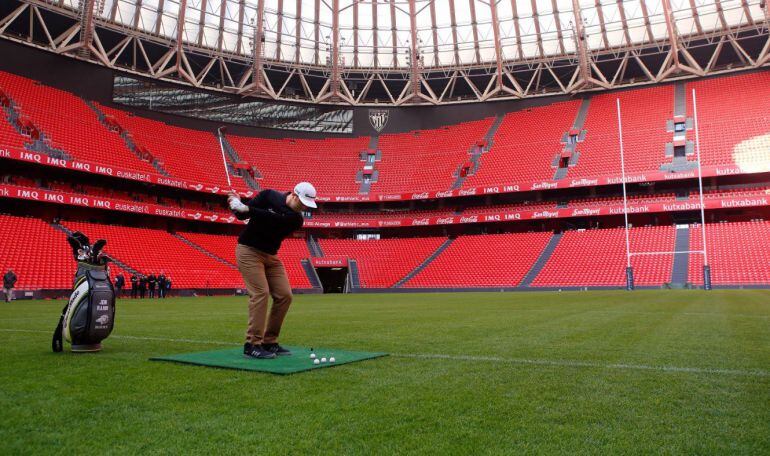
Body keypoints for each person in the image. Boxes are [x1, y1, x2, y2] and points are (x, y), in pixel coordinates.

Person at [228, 182, 316, 359]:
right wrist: (235, 203)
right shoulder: (268, 195)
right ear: (293, 195)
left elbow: (273, 219)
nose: (304, 207)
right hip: (248, 251)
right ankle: (252, 344)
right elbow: (241, 214)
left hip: (271, 256)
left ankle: (269, 341)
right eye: (303, 203)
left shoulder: (296, 219)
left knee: (284, 295)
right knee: (260, 293)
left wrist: (246, 209)